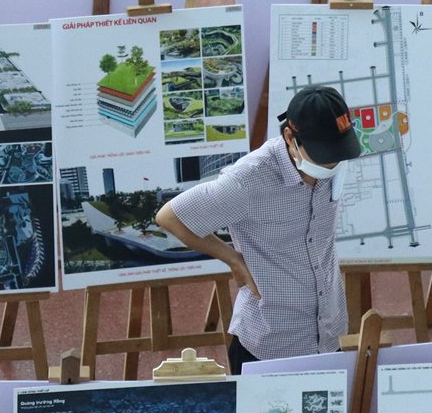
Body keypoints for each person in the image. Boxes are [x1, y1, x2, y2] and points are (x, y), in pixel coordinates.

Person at [155, 84, 362, 372]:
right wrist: (232, 259)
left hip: (328, 333)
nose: (332, 163)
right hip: (270, 343)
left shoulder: (332, 163)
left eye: (337, 153)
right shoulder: (248, 180)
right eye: (322, 154)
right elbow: (170, 217)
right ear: (290, 136)